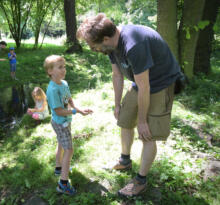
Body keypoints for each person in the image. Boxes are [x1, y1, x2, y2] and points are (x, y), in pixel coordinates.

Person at [77, 13, 182, 197]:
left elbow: (145, 86)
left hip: (161, 83)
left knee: (147, 133)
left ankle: (140, 181)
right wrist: (117, 104)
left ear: (106, 38)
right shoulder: (110, 47)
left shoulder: (134, 44)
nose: (94, 50)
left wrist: (142, 120)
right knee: (124, 120)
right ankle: (125, 161)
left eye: (94, 47)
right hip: (140, 82)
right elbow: (117, 75)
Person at [44, 55, 93, 195]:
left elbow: (69, 99)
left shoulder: (63, 83)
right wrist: (72, 111)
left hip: (65, 121)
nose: (63, 69)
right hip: (60, 123)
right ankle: (63, 183)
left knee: (61, 144)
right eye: (60, 67)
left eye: (64, 66)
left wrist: (79, 110)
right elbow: (58, 111)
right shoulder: (52, 90)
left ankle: (59, 167)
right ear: (50, 71)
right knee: (69, 150)